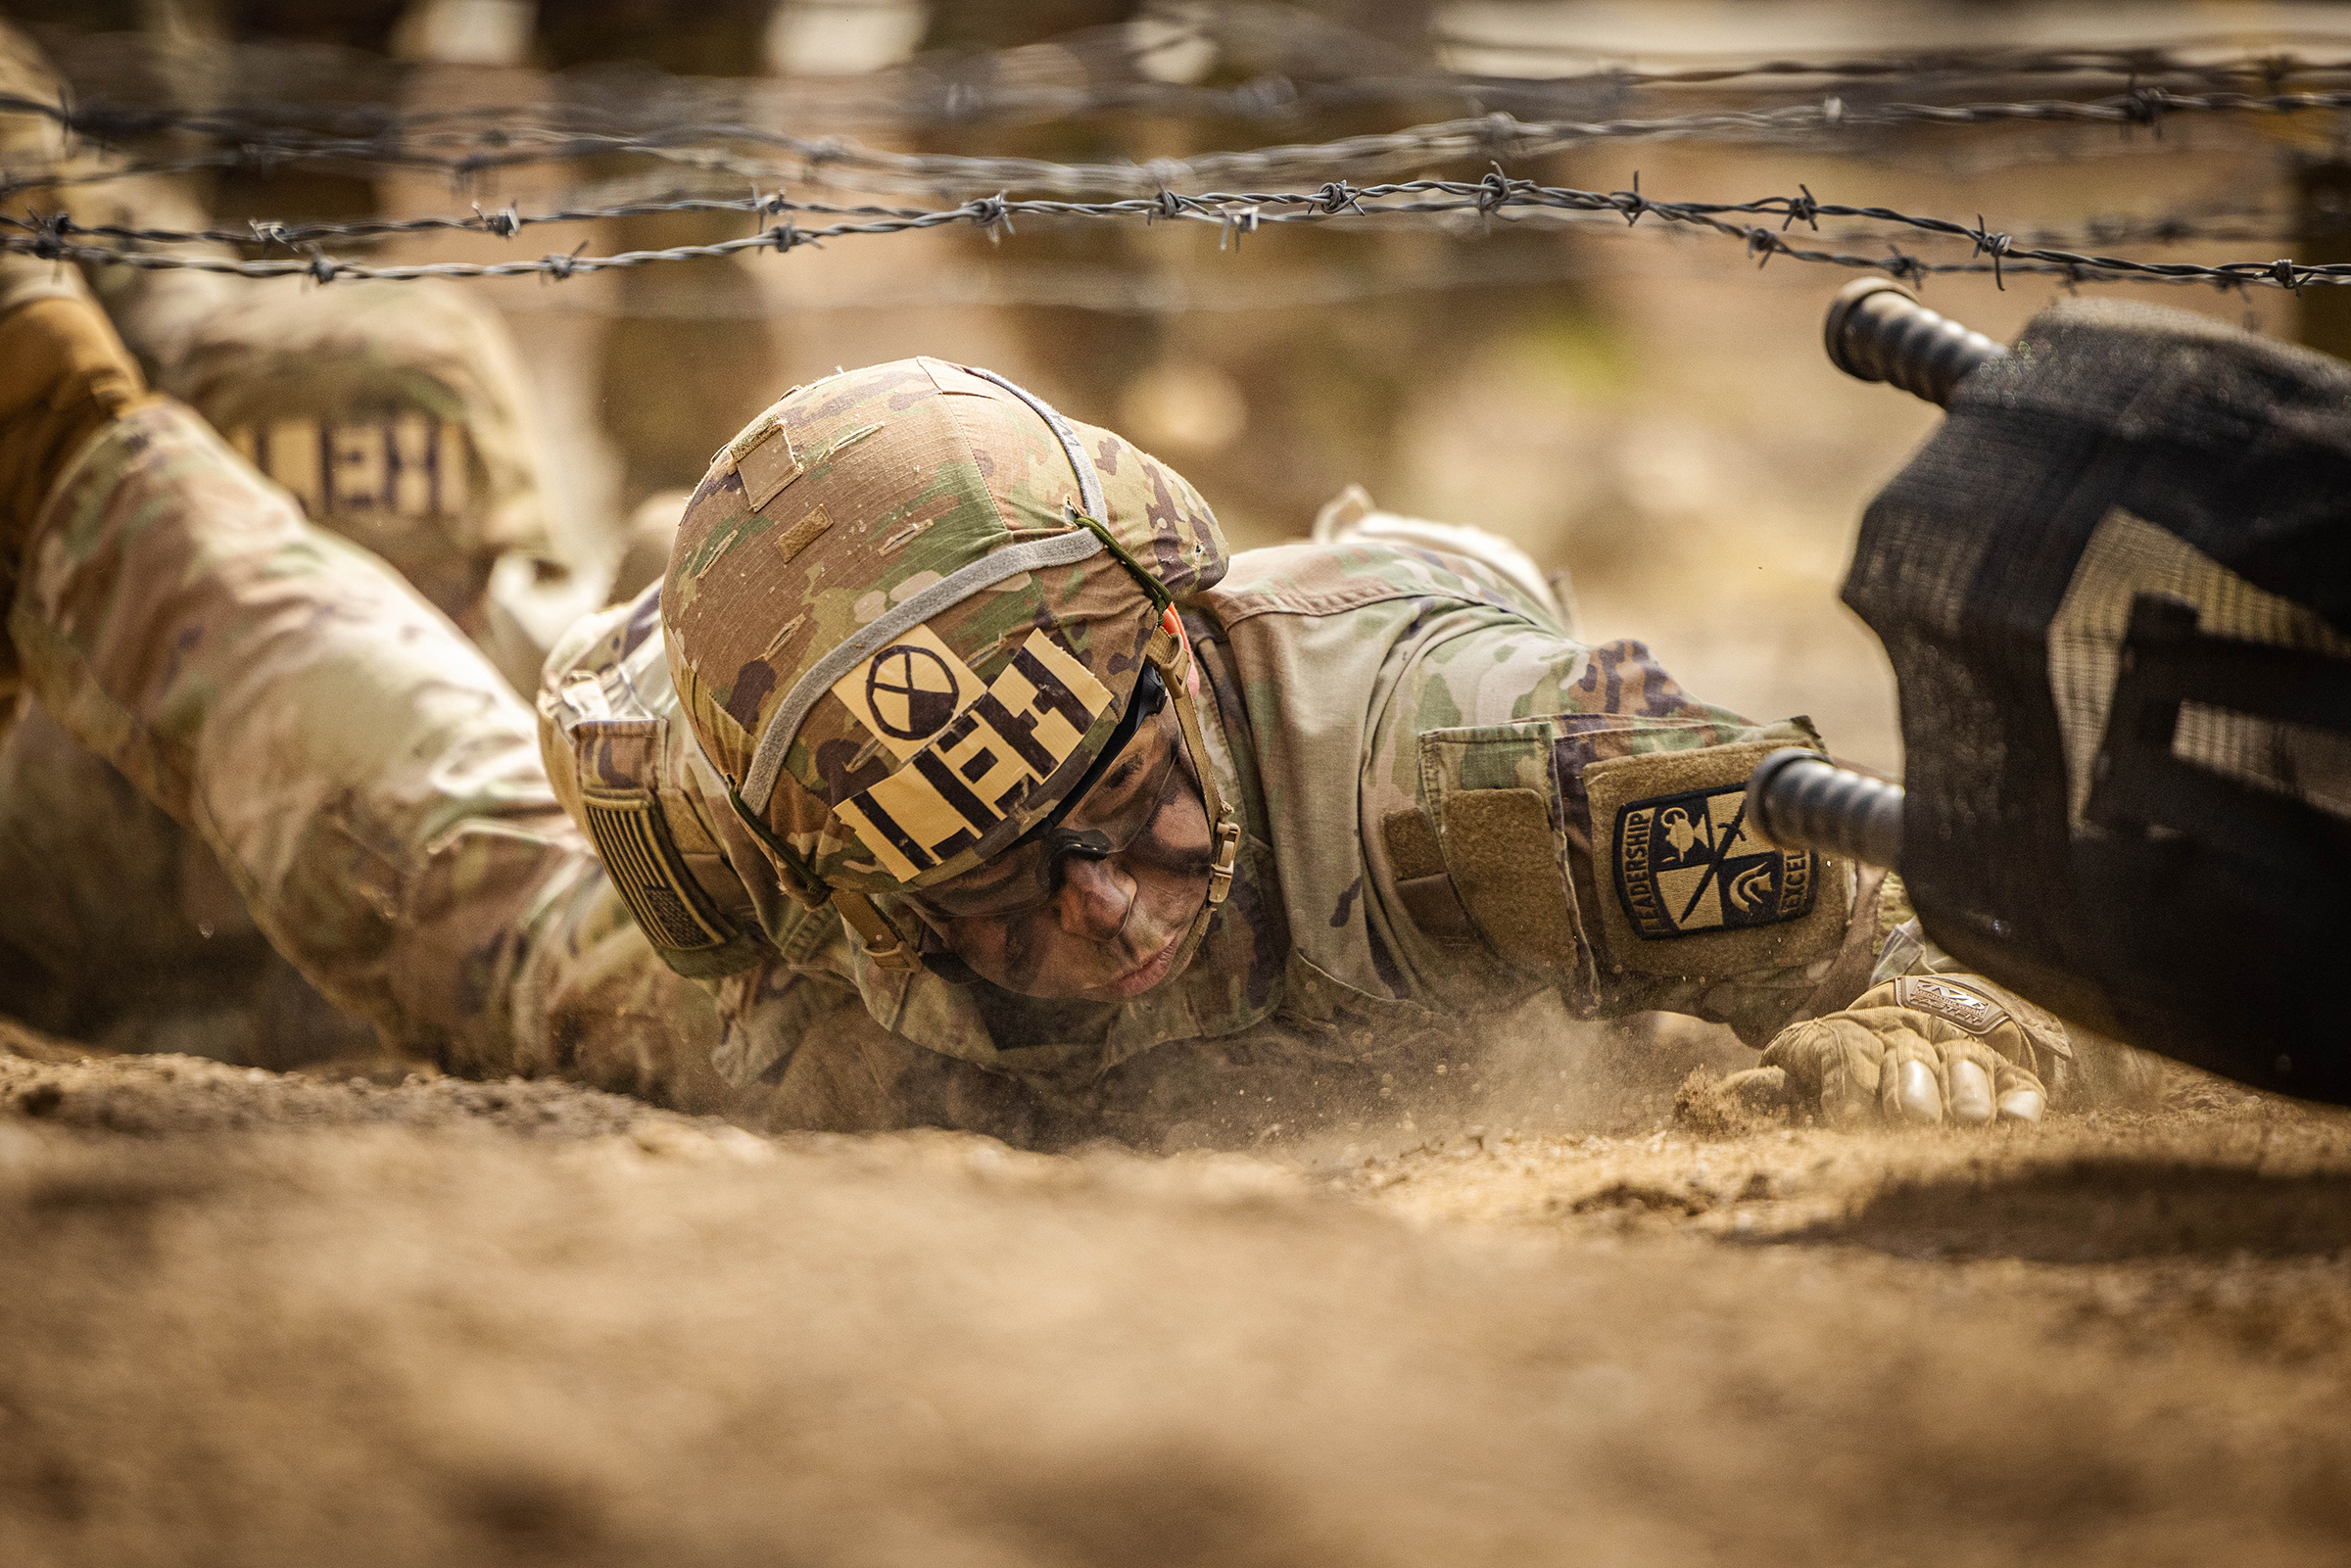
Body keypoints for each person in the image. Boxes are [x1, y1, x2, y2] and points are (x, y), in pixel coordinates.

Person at [0, 255, 2123, 1143]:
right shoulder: (790, 962)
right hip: (878, 1026)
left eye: (1129, 808)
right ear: (830, 893)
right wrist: (92, 484)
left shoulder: (1488, 767)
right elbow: (427, 814)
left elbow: (1968, 941)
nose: (1103, 917)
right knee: (424, 886)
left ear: (1188, 647)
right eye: (999, 889)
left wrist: (1892, 1064)